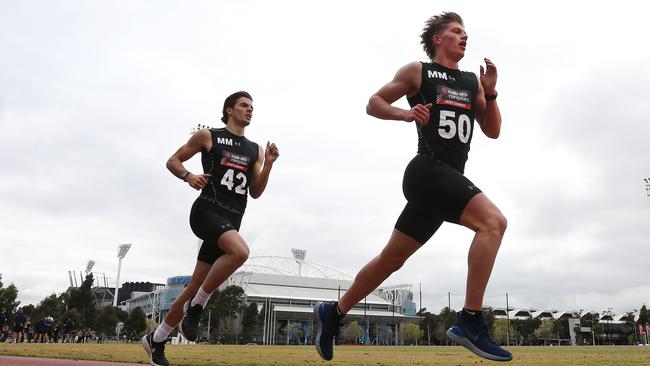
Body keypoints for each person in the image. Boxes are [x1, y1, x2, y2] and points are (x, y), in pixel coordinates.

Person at [314, 12, 511, 362]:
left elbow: (492, 130)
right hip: (427, 171)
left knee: (391, 260)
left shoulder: (471, 82)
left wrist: (492, 92)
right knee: (493, 222)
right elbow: (374, 103)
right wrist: (404, 114)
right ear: (438, 39)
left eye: (466, 33)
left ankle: (334, 312)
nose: (464, 37)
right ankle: (470, 320)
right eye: (456, 31)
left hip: (445, 180)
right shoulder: (418, 71)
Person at [142, 91, 279, 366]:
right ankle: (199, 304)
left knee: (193, 285)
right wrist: (188, 176)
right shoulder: (209, 135)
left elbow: (256, 192)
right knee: (241, 252)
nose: (250, 110)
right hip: (207, 210)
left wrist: (269, 166)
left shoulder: (256, 150)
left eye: (252, 107)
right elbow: (173, 160)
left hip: (232, 218)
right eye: (244, 106)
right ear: (229, 110)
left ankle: (156, 338)